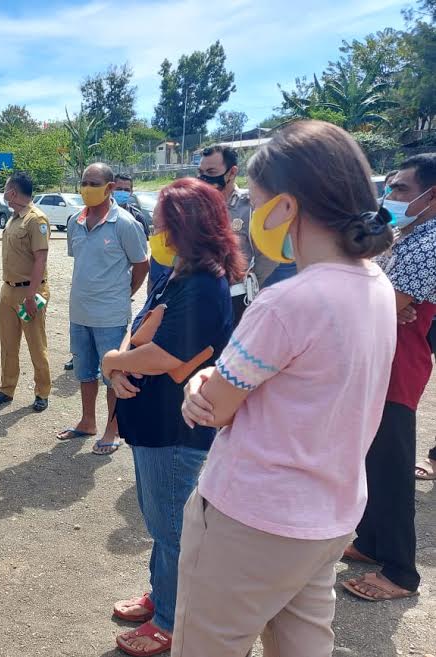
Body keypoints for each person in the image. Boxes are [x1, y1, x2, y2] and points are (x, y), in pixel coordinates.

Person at [175, 121, 396, 657]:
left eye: (255, 201)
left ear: (285, 208)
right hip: (329, 513)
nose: (250, 216)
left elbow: (214, 410)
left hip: (253, 515)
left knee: (208, 643)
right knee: (303, 644)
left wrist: (200, 381)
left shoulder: (288, 301)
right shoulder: (376, 284)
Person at [102, 178, 240, 656]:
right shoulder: (176, 273)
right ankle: (163, 595)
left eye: (163, 223)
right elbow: (139, 328)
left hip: (175, 429)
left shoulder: (204, 284)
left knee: (174, 528)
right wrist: (116, 363)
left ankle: (171, 620)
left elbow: (166, 355)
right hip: (151, 421)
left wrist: (115, 364)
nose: (155, 229)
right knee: (161, 520)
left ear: (188, 227)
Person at [342, 153, 436, 602]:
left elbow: (385, 306)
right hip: (379, 357)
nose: (389, 197)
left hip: (397, 367)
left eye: (400, 189)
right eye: (390, 187)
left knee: (392, 469)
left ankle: (401, 572)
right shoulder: (408, 234)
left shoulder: (431, 243)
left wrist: (384, 303)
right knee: (372, 460)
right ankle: (371, 542)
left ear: (431, 195)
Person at [58, 163, 148, 455]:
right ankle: (87, 422)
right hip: (79, 312)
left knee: (113, 375)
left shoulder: (124, 224)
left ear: (110, 188)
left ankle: (113, 428)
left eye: (93, 183)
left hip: (110, 316)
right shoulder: (75, 221)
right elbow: (82, 261)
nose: (86, 188)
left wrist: (125, 294)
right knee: (84, 372)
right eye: (84, 182)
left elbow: (142, 264)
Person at [0, 172, 51, 412]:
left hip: (30, 293)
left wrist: (32, 297)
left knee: (35, 343)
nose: (3, 193)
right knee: (8, 344)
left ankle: (42, 391)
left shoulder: (36, 220)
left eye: (5, 189)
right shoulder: (13, 219)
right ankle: (6, 389)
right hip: (8, 291)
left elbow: (40, 260)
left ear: (12, 192)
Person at [197, 145, 279, 325]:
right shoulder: (197, 206)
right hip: (200, 296)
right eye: (201, 172)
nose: (204, 178)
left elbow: (268, 256)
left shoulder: (250, 206)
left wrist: (249, 283)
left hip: (237, 299)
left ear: (232, 172)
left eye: (211, 172)